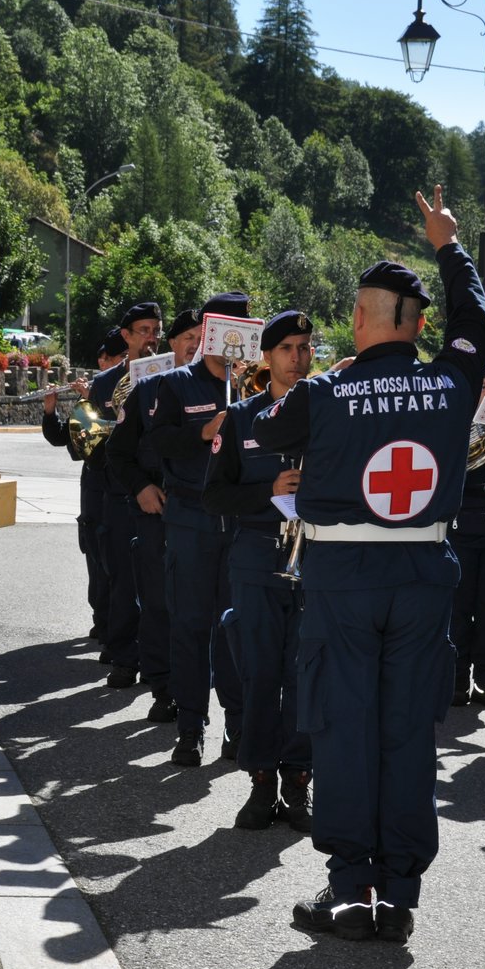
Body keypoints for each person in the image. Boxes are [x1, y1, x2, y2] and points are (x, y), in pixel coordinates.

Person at [253, 187, 485, 944]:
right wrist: (447, 243)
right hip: (423, 578)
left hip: (342, 581)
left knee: (344, 728)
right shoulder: (453, 380)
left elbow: (270, 428)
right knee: (408, 734)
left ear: (367, 321)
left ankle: (350, 888)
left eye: (356, 313)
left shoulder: (325, 390)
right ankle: (401, 892)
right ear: (418, 327)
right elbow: (476, 326)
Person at [204, 309, 314, 832]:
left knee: (303, 675)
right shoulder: (242, 419)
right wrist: (266, 493)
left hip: (314, 560)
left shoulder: (327, 410)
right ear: (267, 357)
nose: (299, 357)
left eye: (305, 347)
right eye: (288, 348)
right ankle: (261, 781)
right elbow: (215, 494)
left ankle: (297, 781)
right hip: (255, 556)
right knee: (260, 672)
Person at [149, 293, 249, 765]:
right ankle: (190, 726)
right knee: (190, 626)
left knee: (237, 629)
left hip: (240, 525)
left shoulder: (251, 389)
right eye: (228, 327)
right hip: (190, 520)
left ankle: (237, 721)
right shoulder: (176, 384)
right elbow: (158, 442)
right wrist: (202, 432)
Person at [105, 308, 203, 722]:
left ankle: (210, 697)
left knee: (203, 610)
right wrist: (141, 488)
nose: (195, 345)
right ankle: (164, 688)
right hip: (157, 513)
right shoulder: (149, 388)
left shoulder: (225, 389)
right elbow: (118, 453)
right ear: (173, 344)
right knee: (160, 605)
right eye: (188, 338)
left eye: (203, 338)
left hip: (206, 516)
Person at [91, 306, 163, 690]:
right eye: (143, 330)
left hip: (160, 491)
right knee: (121, 582)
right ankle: (123, 658)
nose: (151, 338)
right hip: (118, 492)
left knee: (156, 586)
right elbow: (85, 443)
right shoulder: (105, 384)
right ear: (126, 336)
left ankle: (155, 662)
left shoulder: (171, 377)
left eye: (156, 330)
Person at [42, 335, 125, 650]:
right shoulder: (88, 400)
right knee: (96, 556)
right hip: (95, 488)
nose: (105, 367)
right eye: (104, 361)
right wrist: (51, 411)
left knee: (121, 564)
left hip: (124, 488)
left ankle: (117, 628)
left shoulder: (138, 390)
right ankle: (102, 621)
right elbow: (70, 442)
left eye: (113, 360)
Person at [448, 363, 485, 711]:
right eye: (483, 386)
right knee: (459, 608)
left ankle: (484, 681)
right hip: (463, 522)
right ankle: (457, 679)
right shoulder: (457, 422)